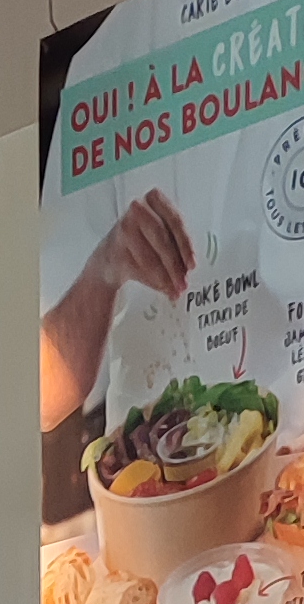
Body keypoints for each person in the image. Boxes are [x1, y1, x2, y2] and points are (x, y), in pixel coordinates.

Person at [39, 186, 195, 435]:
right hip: (138, 444)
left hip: (265, 417)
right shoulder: (86, 171)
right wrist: (104, 267)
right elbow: (45, 394)